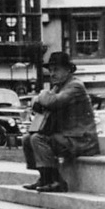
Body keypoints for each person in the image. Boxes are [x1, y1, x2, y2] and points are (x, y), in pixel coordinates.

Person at [22, 51, 101, 193]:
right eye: (50, 70)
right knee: (27, 139)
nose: (52, 74)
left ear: (68, 70)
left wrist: (41, 95)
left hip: (82, 140)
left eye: (56, 69)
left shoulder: (75, 86)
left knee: (38, 139)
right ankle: (44, 177)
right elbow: (38, 102)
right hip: (68, 137)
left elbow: (53, 102)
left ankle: (57, 181)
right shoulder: (58, 86)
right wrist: (41, 97)